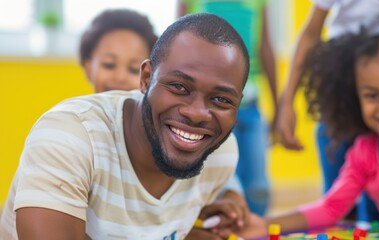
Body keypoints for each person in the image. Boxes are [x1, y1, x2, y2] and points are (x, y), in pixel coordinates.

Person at [0, 13, 251, 240]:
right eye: (179, 87)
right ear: (145, 78)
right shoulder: (68, 135)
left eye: (221, 99)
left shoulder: (221, 154)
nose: (197, 114)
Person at [237, 18, 379, 237]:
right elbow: (330, 208)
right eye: (372, 96)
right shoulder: (364, 153)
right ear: (355, 97)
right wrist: (264, 224)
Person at [275, 0, 379, 222]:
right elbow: (311, 33)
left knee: (377, 211)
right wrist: (287, 102)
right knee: (341, 199)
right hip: (346, 86)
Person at [178, 0, 278, 216]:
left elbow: (265, 47)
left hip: (250, 107)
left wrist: (279, 107)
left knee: (258, 187)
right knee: (219, 181)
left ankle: (255, 229)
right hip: (208, 108)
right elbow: (175, 43)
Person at [79, 9, 158, 93]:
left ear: (149, 76)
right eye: (109, 65)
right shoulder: (71, 106)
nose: (120, 77)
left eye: (134, 70)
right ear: (88, 69)